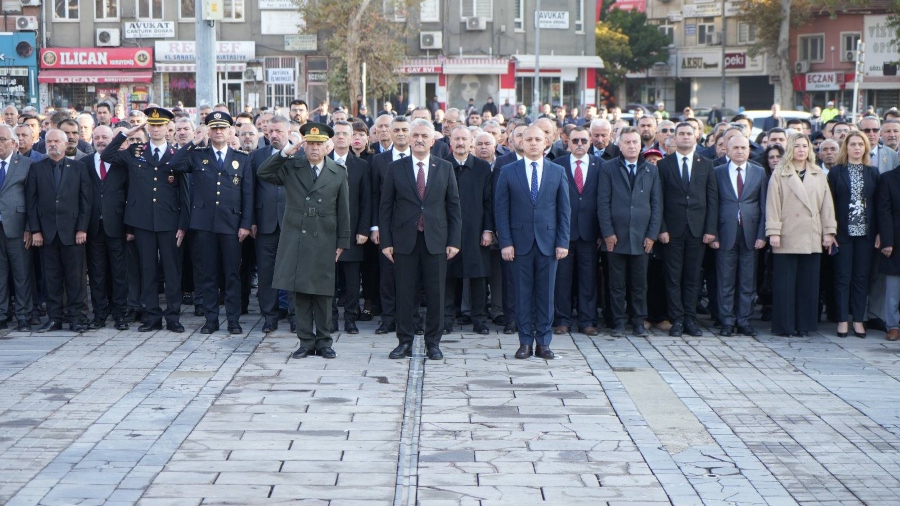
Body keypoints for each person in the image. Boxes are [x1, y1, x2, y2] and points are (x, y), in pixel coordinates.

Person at [258, 122, 351, 359]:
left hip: (325, 237)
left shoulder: (338, 171)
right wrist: (285, 153)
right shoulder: (292, 166)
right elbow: (264, 172)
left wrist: (342, 242)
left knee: (323, 293)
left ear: (327, 146)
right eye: (310, 143)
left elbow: (344, 210)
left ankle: (324, 341)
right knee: (299, 293)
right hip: (296, 236)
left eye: (319, 144)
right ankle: (305, 341)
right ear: (303, 145)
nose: (314, 148)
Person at [379, 118, 461, 361]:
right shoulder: (396, 168)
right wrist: (386, 241)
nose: (419, 139)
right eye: (415, 135)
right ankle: (404, 341)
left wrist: (454, 241)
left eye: (424, 136)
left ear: (433, 140)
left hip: (436, 240)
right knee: (405, 294)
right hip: (404, 240)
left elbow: (454, 207)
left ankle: (433, 343)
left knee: (436, 295)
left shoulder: (444, 168)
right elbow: (386, 207)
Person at [101, 107, 188, 333]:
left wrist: (183, 224)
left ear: (168, 127)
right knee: (147, 270)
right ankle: (152, 316)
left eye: (160, 125)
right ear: (147, 127)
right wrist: (127, 133)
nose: (156, 129)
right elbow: (107, 156)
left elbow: (184, 193)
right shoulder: (135, 151)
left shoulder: (175, 154)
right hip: (141, 220)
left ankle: (173, 316)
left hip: (169, 220)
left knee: (171, 271)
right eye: (152, 125)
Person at [168, 111, 253, 334]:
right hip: (204, 224)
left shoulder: (241, 158)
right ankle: (211, 320)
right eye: (213, 128)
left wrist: (245, 224)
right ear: (208, 131)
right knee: (208, 274)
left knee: (232, 274)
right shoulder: (198, 155)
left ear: (230, 131)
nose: (218, 132)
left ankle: (233, 320)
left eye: (222, 128)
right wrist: (195, 141)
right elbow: (174, 164)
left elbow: (248, 194)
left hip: (231, 225)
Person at [495, 125, 570, 359]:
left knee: (546, 295)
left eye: (538, 139)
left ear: (546, 142)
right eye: (529, 139)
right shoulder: (508, 171)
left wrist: (563, 242)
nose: (534, 143)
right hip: (519, 244)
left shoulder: (557, 171)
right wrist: (505, 242)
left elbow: (564, 210)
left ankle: (544, 342)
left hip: (549, 243)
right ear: (521, 143)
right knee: (522, 294)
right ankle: (525, 341)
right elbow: (501, 209)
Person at [766, 133, 837, 337]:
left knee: (808, 283)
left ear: (809, 149)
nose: (801, 150)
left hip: (811, 234)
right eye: (796, 146)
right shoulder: (780, 173)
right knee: (785, 284)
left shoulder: (818, 173)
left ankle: (804, 325)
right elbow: (772, 204)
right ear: (790, 149)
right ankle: (784, 326)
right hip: (787, 234)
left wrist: (828, 232)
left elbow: (827, 205)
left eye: (804, 146)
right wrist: (774, 232)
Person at [597, 127, 662, 337]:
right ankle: (617, 322)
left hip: (642, 237)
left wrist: (652, 234)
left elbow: (656, 204)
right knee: (616, 284)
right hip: (616, 237)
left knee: (639, 284)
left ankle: (638, 321)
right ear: (620, 145)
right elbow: (603, 202)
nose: (632, 146)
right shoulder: (608, 168)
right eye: (627, 142)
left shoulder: (651, 170)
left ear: (640, 145)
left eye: (635, 142)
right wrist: (607, 232)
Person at [656, 122, 719, 337]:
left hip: (698, 230)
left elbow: (712, 199)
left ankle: (690, 319)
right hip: (671, 231)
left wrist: (711, 229)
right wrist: (661, 228)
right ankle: (677, 320)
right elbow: (659, 200)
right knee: (673, 277)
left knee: (693, 277)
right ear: (674, 138)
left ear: (696, 137)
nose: (685, 137)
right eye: (680, 134)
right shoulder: (664, 165)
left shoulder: (706, 164)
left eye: (688, 134)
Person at [27, 129, 91, 333]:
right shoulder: (37, 168)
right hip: (47, 234)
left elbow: (85, 201)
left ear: (66, 144)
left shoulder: (79, 168)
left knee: (75, 278)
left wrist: (82, 228)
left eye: (56, 141)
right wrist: (35, 230)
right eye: (49, 141)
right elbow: (32, 202)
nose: (52, 144)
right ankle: (54, 318)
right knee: (51, 278)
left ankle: (76, 318)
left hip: (73, 232)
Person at [712, 134, 767, 336]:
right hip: (725, 233)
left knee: (747, 281)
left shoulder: (759, 172)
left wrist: (762, 234)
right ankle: (727, 321)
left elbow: (763, 206)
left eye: (744, 147)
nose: (740, 151)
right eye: (735, 147)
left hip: (751, 234)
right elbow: (713, 205)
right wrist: (714, 235)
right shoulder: (717, 172)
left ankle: (744, 320)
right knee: (725, 280)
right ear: (727, 149)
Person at [827, 132, 879, 338]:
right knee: (842, 277)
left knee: (861, 277)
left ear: (865, 148)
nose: (857, 148)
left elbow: (877, 206)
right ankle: (842, 320)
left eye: (861, 144)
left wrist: (879, 233)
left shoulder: (873, 173)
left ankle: (858, 319)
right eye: (853, 144)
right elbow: (829, 204)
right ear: (845, 148)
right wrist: (830, 231)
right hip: (843, 233)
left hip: (866, 233)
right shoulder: (836, 172)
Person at [443, 126, 493, 335]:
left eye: (464, 139)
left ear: (471, 142)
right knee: (447, 276)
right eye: (457, 139)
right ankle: (446, 319)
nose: (461, 143)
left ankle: (479, 318)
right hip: (447, 229)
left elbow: (489, 201)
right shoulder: (443, 166)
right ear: (450, 143)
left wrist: (488, 230)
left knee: (478, 276)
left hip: (476, 229)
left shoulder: (482, 167)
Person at [553, 127, 601, 336]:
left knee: (588, 279)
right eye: (575, 141)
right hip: (564, 232)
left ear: (589, 142)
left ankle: (587, 320)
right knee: (562, 279)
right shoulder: (557, 165)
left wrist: (602, 231)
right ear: (567, 143)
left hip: (590, 233)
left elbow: (604, 200)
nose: (579, 144)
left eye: (583, 140)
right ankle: (562, 319)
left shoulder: (601, 165)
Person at [250, 115, 293, 333]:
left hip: (293, 224)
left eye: (278, 131)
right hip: (265, 223)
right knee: (266, 273)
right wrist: (251, 220)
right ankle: (270, 316)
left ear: (288, 132)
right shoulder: (257, 156)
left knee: (293, 271)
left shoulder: (301, 154)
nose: (274, 135)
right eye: (270, 132)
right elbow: (250, 191)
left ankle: (295, 316)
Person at [84, 125, 129, 331]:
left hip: (117, 226)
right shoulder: (83, 163)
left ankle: (120, 314)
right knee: (97, 273)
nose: (101, 141)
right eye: (97, 137)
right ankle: (100, 314)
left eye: (105, 137)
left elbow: (130, 196)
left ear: (113, 140)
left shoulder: (122, 164)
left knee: (119, 272)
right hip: (93, 227)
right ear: (92, 139)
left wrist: (130, 227)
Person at [329, 120, 371, 334]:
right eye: (336, 133)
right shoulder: (323, 162)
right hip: (327, 232)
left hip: (353, 231)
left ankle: (351, 318)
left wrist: (364, 230)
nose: (341, 137)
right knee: (329, 278)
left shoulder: (362, 166)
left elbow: (366, 201)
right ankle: (332, 318)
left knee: (353, 279)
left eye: (345, 133)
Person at [0, 124, 34, 332]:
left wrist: (31, 228)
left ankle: (24, 315)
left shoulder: (26, 164)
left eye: (3, 139)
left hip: (18, 226)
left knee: (22, 273)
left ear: (13, 143)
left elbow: (32, 199)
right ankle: (2, 313)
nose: (0, 144)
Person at [876, 158, 900, 341]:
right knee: (893, 289)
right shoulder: (888, 178)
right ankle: (893, 326)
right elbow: (884, 212)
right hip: (896, 241)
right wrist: (887, 241)